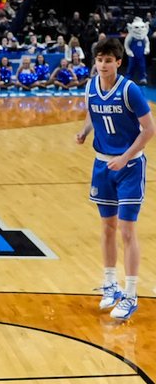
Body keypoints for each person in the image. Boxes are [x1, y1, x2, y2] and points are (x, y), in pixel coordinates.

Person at [76, 38, 154, 320]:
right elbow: (93, 114)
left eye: (109, 60)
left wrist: (125, 157)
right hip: (101, 165)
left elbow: (149, 129)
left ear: (118, 62)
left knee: (126, 230)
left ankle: (131, 294)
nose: (103, 65)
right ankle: (111, 284)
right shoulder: (90, 87)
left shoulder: (130, 90)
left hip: (130, 166)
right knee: (107, 227)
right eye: (99, 60)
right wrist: (85, 131)